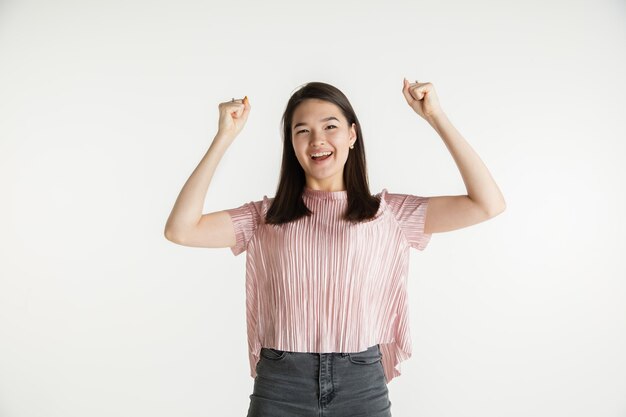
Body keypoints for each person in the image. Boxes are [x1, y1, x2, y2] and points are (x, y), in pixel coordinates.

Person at [164, 79, 506, 416]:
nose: (318, 140)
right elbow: (181, 229)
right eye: (303, 130)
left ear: (352, 135)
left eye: (330, 126)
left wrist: (435, 116)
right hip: (282, 382)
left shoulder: (389, 213)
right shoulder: (264, 217)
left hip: (360, 380)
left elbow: (486, 203)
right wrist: (224, 136)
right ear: (291, 144)